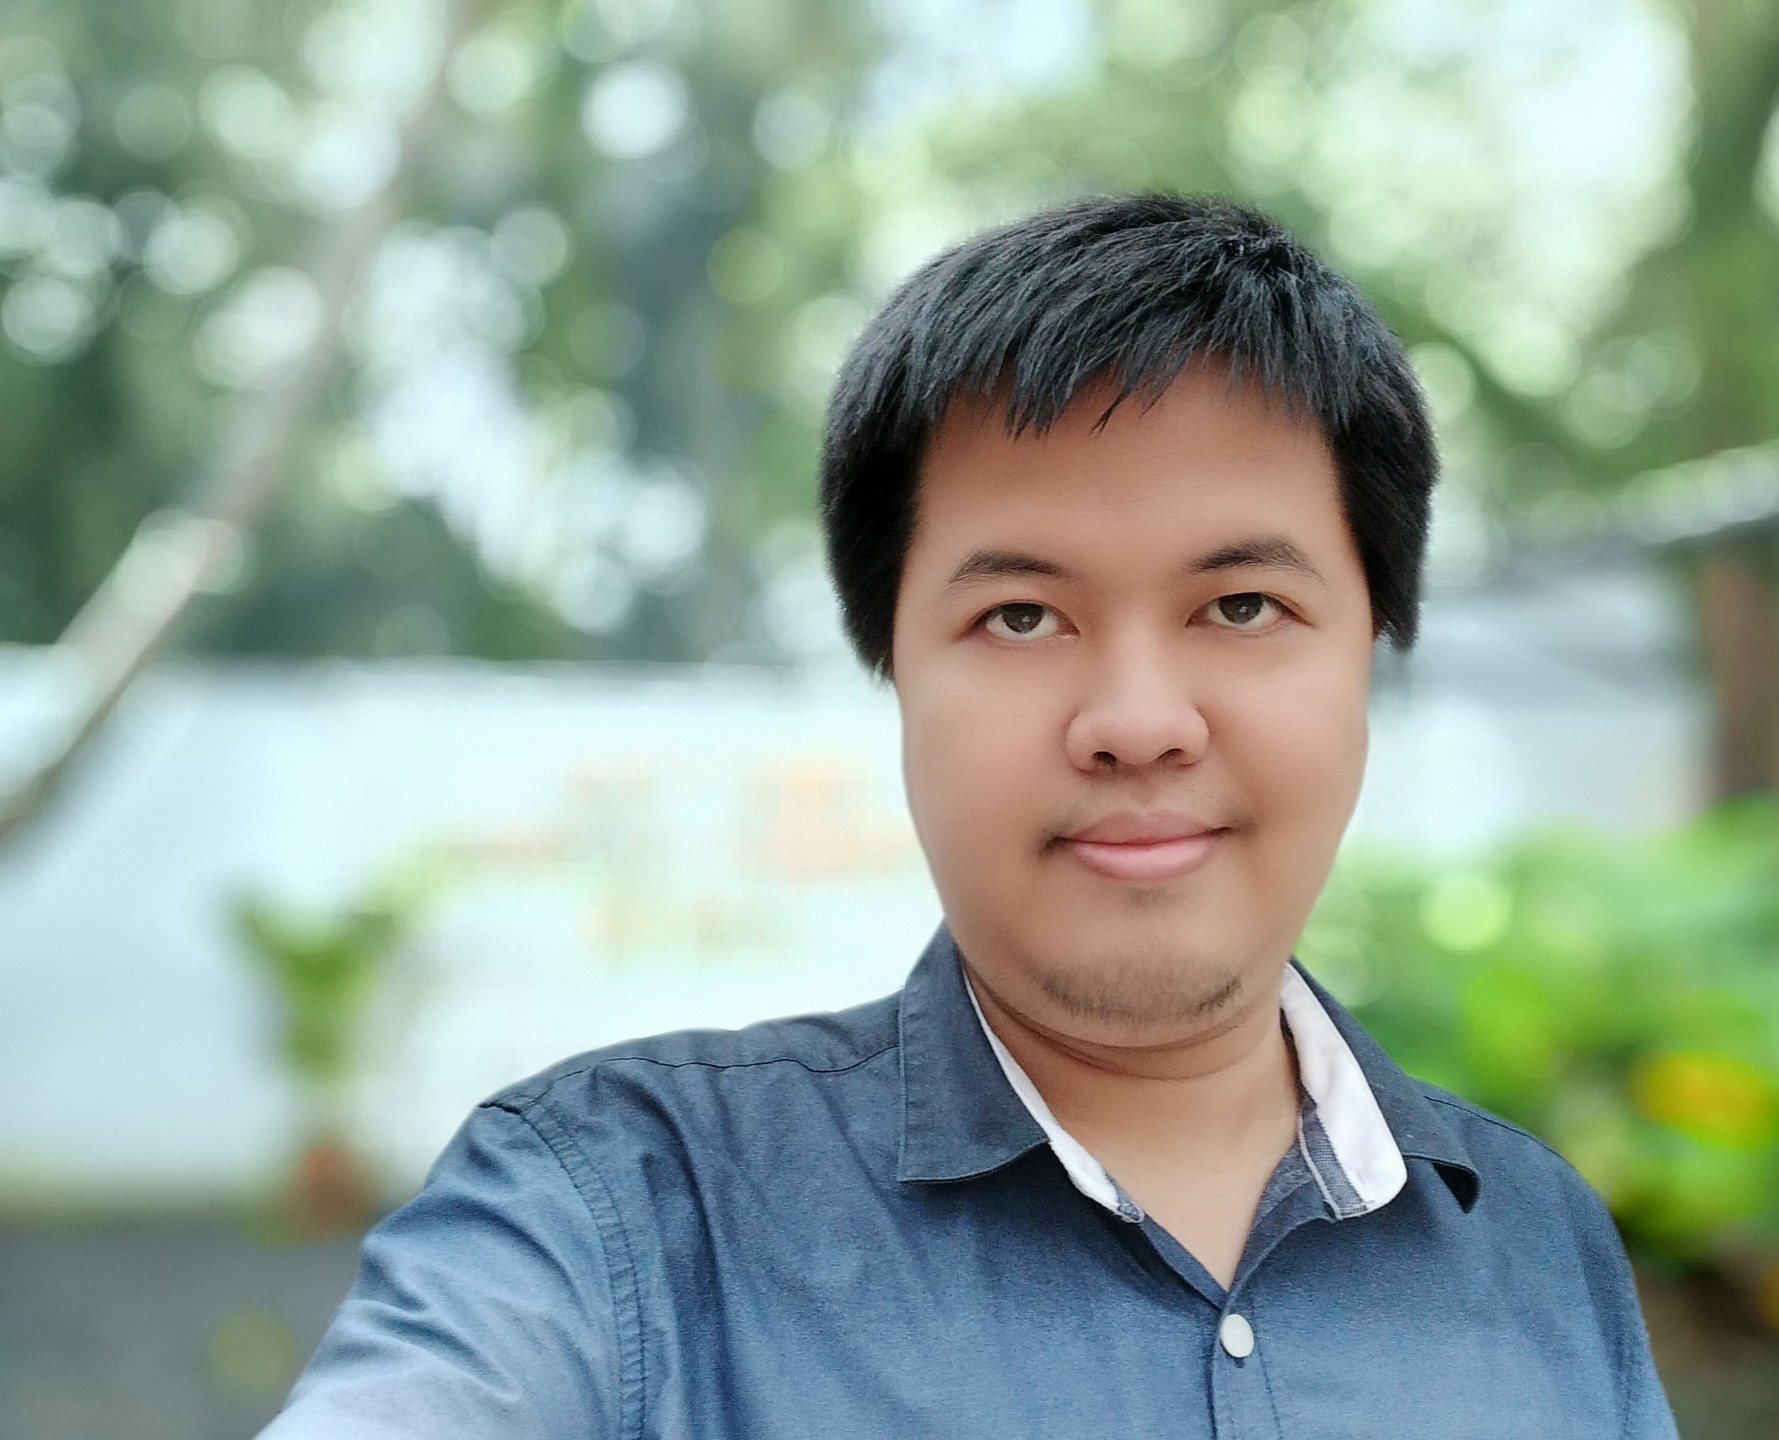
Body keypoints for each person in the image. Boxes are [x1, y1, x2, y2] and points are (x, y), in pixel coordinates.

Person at [262, 194, 1679, 1438]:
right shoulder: (614, 1216)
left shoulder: (1539, 1248)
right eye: (1021, 615)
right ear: (894, 667)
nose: (1138, 720)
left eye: (1243, 604)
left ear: (1373, 645)